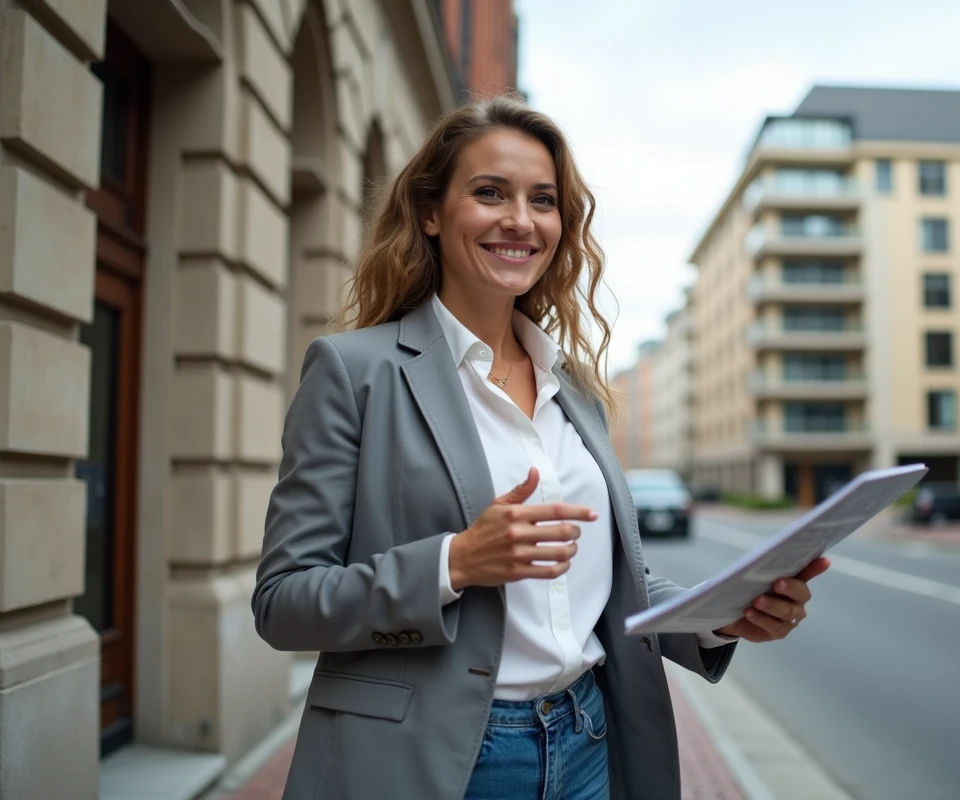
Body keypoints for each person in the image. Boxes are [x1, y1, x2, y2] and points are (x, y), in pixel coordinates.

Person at [252, 94, 831, 800]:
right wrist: (455, 562)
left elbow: (607, 582)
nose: (521, 220)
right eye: (490, 193)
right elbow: (283, 601)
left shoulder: (574, 387)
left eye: (543, 200)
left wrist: (721, 615)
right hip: (438, 760)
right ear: (431, 212)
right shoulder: (354, 372)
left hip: (589, 742)